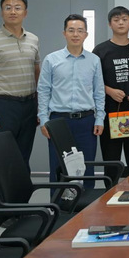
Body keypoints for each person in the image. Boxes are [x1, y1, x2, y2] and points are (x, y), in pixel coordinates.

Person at [0, 0, 40, 207]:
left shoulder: (33, 39)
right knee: (1, 161)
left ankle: (20, 209)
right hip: (2, 107)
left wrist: (39, 105)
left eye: (17, 7)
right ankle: (1, 212)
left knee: (22, 161)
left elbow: (36, 71)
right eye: (8, 7)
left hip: (29, 106)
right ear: (2, 12)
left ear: (25, 12)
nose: (13, 11)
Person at [38, 14, 105, 188]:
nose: (75, 34)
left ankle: (86, 204)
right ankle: (57, 203)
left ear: (86, 34)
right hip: (58, 121)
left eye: (80, 30)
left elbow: (99, 92)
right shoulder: (51, 59)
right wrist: (44, 119)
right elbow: (43, 91)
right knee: (58, 168)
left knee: (86, 168)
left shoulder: (94, 60)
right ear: (64, 33)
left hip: (86, 121)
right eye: (71, 30)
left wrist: (100, 118)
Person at [93, 6, 129, 178]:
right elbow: (93, 81)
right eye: (116, 20)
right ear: (110, 24)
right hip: (110, 112)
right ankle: (110, 192)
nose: (121, 23)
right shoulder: (100, 50)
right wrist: (109, 90)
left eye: (124, 19)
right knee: (111, 160)